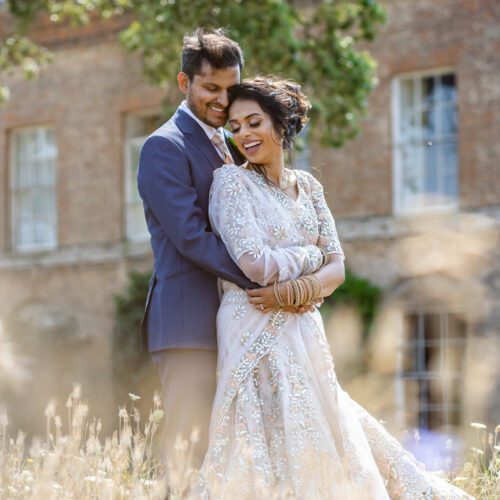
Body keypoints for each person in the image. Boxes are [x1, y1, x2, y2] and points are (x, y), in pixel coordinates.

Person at [195, 77, 473, 499]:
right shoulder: (231, 184)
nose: (244, 135)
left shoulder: (309, 186)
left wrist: (291, 292)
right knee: (267, 432)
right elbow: (253, 264)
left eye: (254, 122)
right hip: (253, 325)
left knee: (324, 424)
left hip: (304, 326)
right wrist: (311, 258)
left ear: (281, 125)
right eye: (235, 127)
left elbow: (338, 268)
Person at [137, 29, 325, 477]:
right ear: (184, 84)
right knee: (189, 453)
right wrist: (275, 283)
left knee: (241, 460)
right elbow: (191, 237)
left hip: (242, 321)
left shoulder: (232, 144)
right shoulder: (164, 147)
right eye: (211, 89)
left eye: (230, 88)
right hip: (189, 325)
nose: (223, 101)